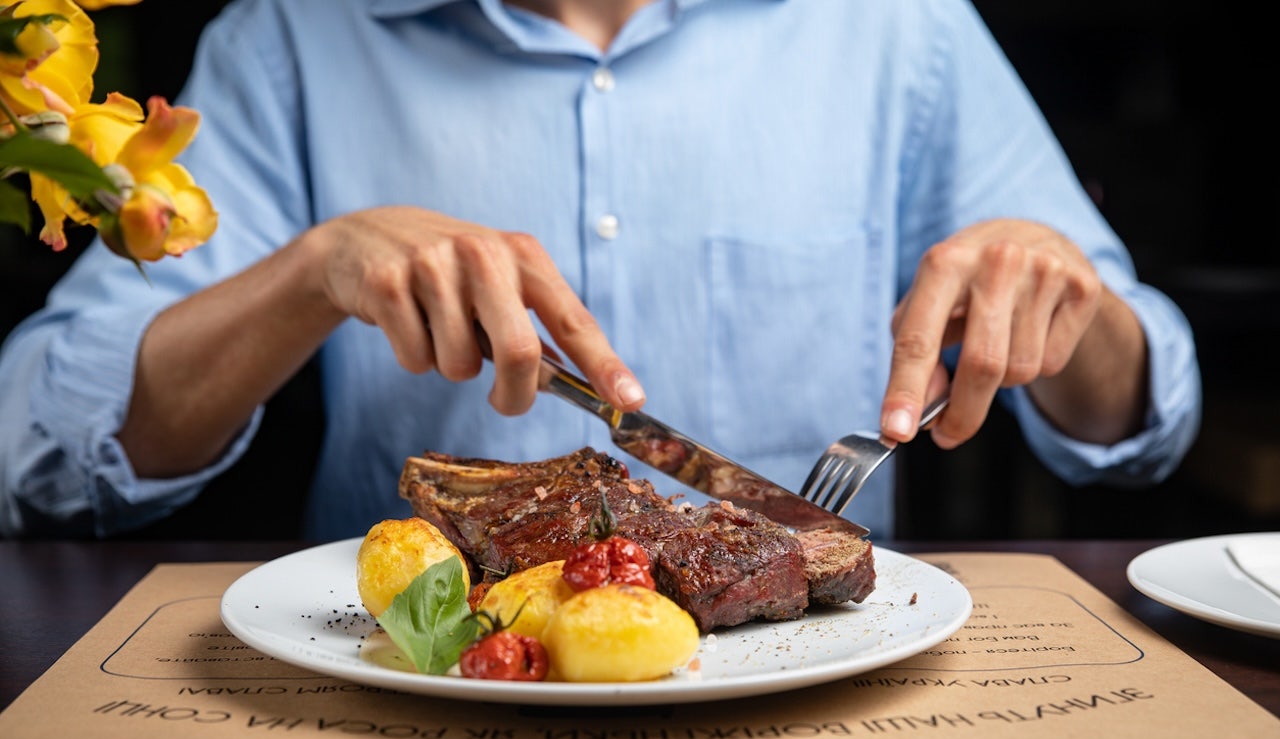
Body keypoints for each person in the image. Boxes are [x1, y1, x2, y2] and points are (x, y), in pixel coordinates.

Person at [0, 0, 1201, 541]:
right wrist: (310, 272)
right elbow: (44, 455)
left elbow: (1136, 423)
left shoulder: (902, 26)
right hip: (409, 721)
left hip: (836, 716)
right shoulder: (285, 38)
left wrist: (1067, 300)